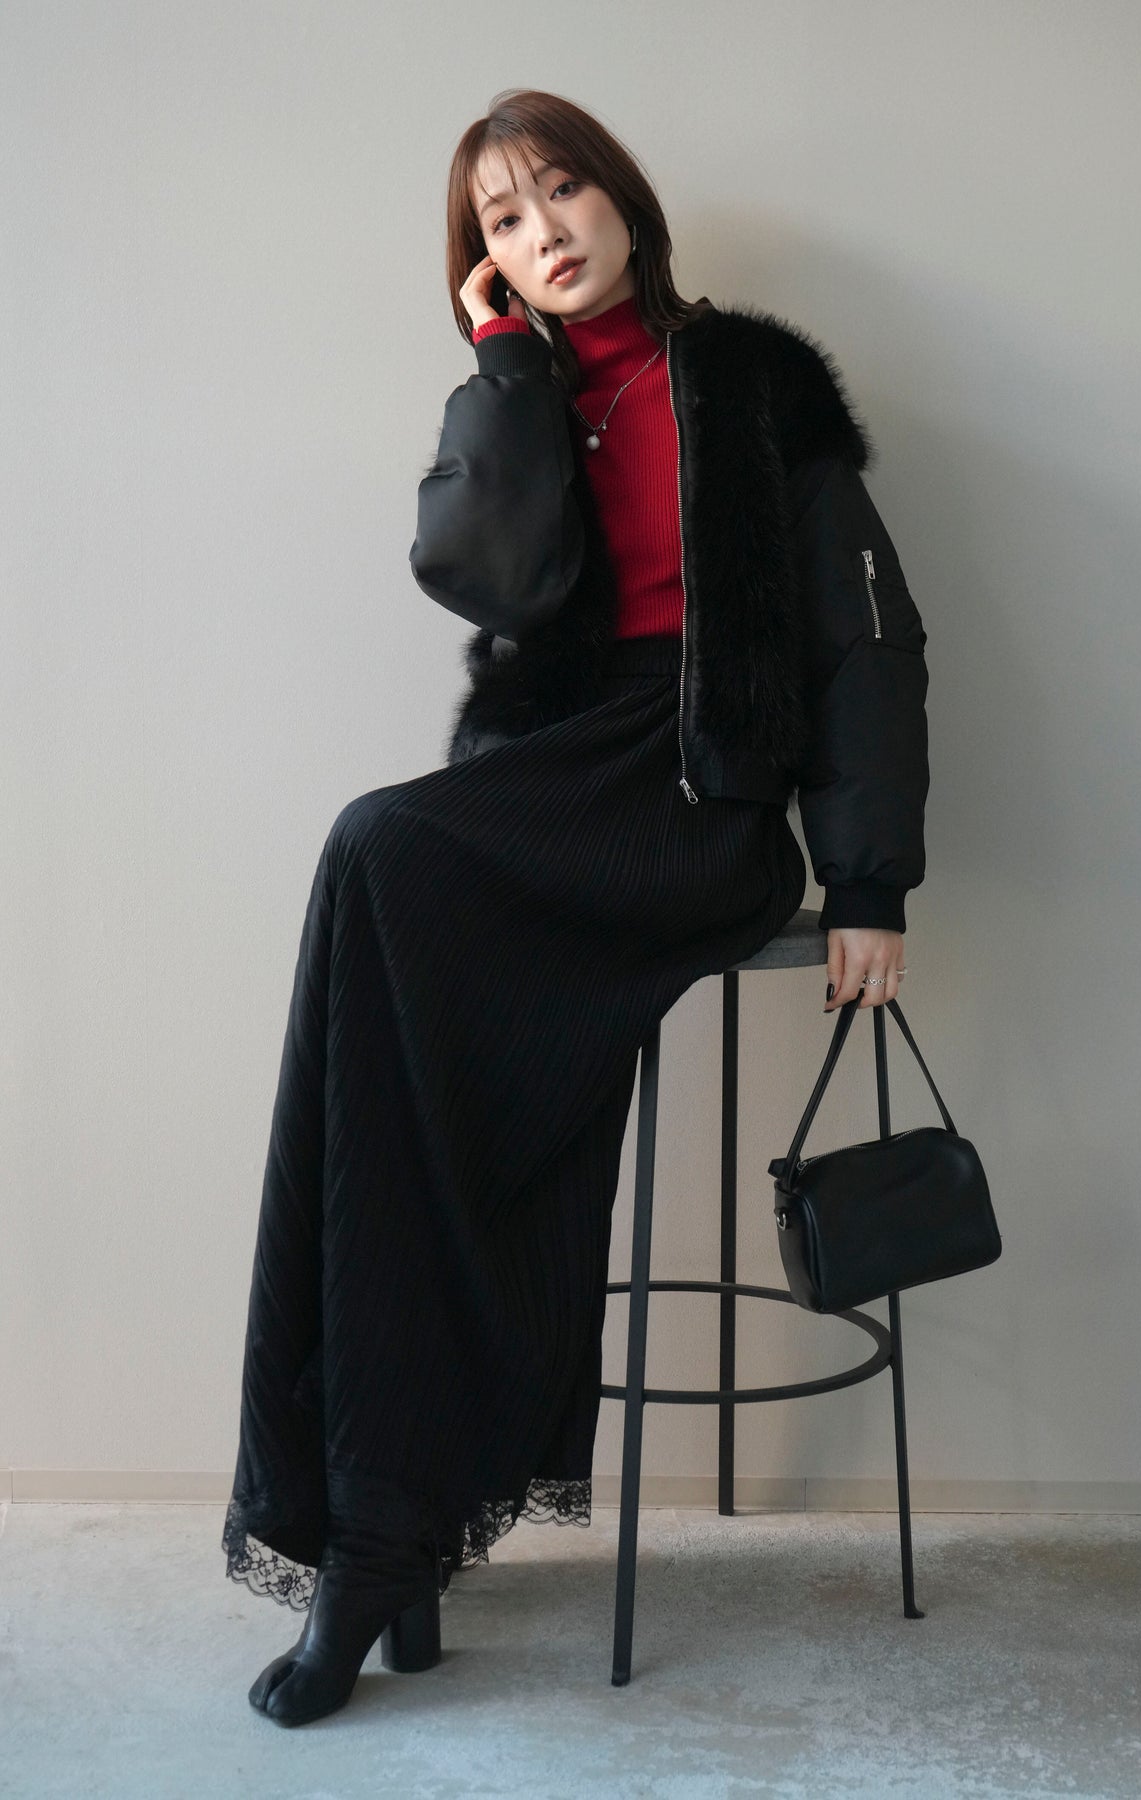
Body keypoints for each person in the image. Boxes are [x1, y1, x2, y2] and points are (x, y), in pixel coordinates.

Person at [224, 86, 929, 1728]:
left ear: (621, 199)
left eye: (560, 191)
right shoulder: (521, 391)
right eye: (502, 219)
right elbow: (484, 575)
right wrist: (503, 372)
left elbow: (863, 639)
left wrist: (867, 878)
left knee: (378, 852)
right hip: (553, 782)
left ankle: (386, 1539)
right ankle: (382, 1534)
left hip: (697, 792)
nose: (542, 231)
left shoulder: (750, 379)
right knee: (389, 1041)